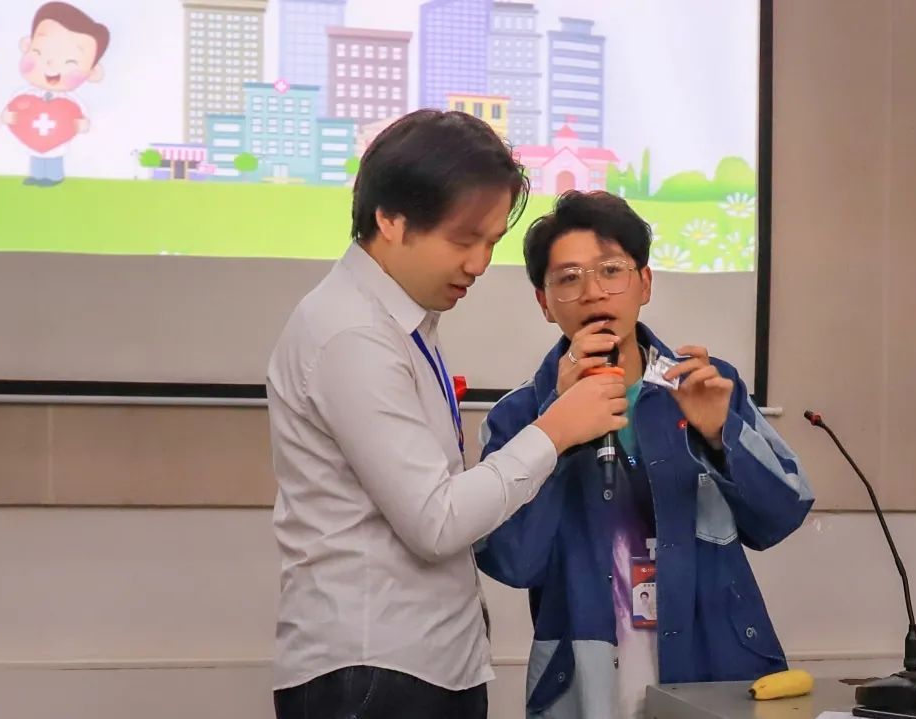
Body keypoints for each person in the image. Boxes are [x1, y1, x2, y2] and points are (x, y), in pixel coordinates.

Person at [266, 111, 627, 719]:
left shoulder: (399, 320)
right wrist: (557, 428)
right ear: (391, 219)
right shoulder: (352, 334)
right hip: (376, 669)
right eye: (463, 240)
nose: (479, 264)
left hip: (418, 661)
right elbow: (435, 522)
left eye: (491, 243)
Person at [475, 190, 814, 719]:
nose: (593, 292)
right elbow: (512, 562)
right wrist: (557, 430)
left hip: (715, 666)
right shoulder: (519, 415)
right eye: (568, 278)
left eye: (611, 270)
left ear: (645, 283)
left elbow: (782, 515)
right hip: (586, 682)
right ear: (544, 303)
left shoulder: (705, 385)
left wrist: (720, 435)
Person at [2, 2, 110, 186]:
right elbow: (11, 108)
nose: (51, 64)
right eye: (39, 52)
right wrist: (8, 116)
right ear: (27, 46)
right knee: (36, 156)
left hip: (58, 141)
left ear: (93, 73)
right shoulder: (24, 95)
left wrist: (82, 124)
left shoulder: (71, 101)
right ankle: (37, 175)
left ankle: (53, 177)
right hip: (33, 138)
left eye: (70, 62)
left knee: (54, 156)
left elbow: (81, 115)